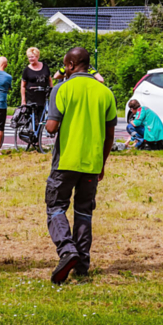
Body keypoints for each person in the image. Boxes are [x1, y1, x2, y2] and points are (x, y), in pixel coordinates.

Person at [43, 46, 117, 284]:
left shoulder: (61, 89)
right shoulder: (105, 92)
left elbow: (51, 127)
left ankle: (67, 250)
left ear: (71, 65)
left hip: (65, 161)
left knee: (55, 207)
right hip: (92, 163)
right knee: (84, 211)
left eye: (66, 65)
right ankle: (82, 264)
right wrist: (102, 164)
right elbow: (110, 134)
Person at [21, 47, 52, 128]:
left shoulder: (45, 66)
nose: (30, 59)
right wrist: (23, 100)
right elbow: (23, 86)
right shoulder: (26, 70)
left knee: (41, 117)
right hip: (31, 97)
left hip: (43, 97)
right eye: (29, 57)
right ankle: (31, 134)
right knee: (33, 120)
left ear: (37, 56)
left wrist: (52, 91)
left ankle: (38, 137)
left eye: (32, 57)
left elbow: (50, 80)